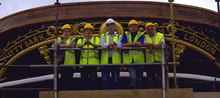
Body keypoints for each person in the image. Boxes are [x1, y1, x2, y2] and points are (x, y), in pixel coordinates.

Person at [121, 19, 145, 89]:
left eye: (134, 26)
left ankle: (139, 94)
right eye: (131, 27)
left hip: (139, 61)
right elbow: (123, 45)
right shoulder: (126, 34)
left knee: (140, 79)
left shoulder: (141, 34)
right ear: (129, 28)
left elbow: (140, 44)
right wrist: (135, 44)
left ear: (137, 28)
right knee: (133, 78)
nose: (133, 28)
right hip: (129, 61)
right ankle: (132, 94)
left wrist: (129, 45)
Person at [51, 24, 76, 90]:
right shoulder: (58, 39)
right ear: (62, 33)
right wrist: (66, 46)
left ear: (70, 33)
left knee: (70, 80)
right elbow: (53, 46)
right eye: (65, 31)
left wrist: (60, 46)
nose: (67, 33)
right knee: (63, 79)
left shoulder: (73, 39)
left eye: (68, 31)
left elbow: (72, 46)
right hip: (61, 63)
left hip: (70, 63)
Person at [76, 23, 100, 90]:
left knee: (93, 80)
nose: (88, 32)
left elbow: (98, 45)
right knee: (84, 81)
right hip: (83, 64)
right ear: (84, 32)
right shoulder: (80, 40)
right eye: (86, 30)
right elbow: (78, 46)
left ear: (92, 32)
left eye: (89, 30)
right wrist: (84, 44)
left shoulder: (96, 39)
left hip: (93, 64)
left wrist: (91, 43)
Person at [100, 18, 122, 89]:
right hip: (105, 61)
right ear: (106, 27)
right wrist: (110, 45)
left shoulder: (119, 36)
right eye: (109, 25)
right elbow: (102, 45)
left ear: (115, 27)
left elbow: (120, 44)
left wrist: (114, 44)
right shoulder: (103, 36)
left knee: (115, 81)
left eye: (112, 25)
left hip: (115, 61)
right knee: (105, 80)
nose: (110, 27)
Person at [143, 22, 165, 88]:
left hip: (159, 61)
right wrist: (152, 45)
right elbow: (144, 44)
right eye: (148, 30)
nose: (150, 31)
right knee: (150, 79)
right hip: (149, 62)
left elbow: (163, 43)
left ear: (155, 29)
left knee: (159, 78)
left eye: (151, 29)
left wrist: (157, 45)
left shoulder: (160, 35)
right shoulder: (145, 37)